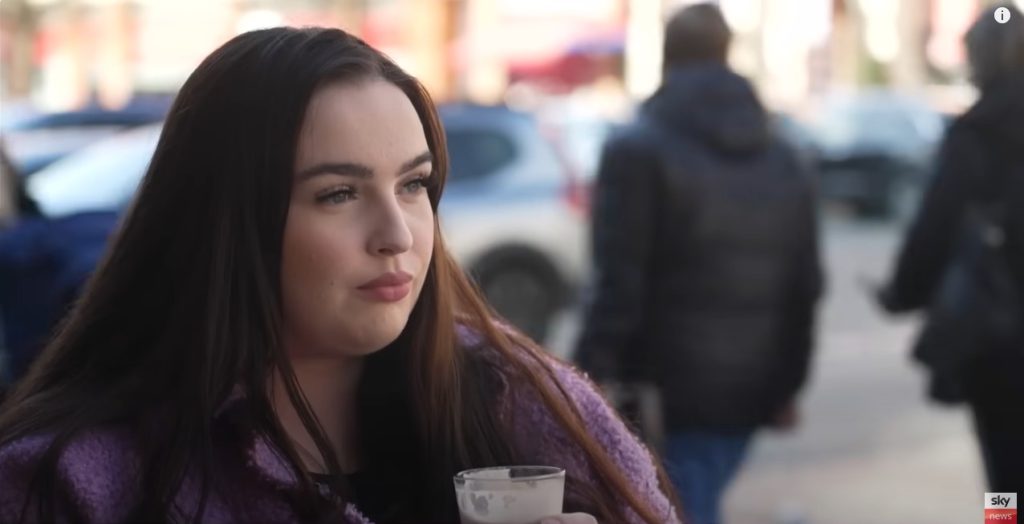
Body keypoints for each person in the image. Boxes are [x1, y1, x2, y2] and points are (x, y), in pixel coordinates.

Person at [0, 27, 681, 524]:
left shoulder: (527, 402)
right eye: (338, 194)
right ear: (227, 223)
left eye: (414, 185)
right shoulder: (76, 480)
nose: (398, 236)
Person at [573, 4, 823, 524]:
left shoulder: (636, 149)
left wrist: (587, 379)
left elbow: (618, 281)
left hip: (666, 389)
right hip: (752, 383)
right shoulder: (784, 154)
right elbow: (806, 284)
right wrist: (788, 384)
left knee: (679, 505)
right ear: (725, 54)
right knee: (692, 498)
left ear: (667, 58)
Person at [877, 4, 1024, 495]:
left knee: (1003, 475)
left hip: (999, 343)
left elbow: (934, 230)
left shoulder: (977, 133)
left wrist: (901, 291)